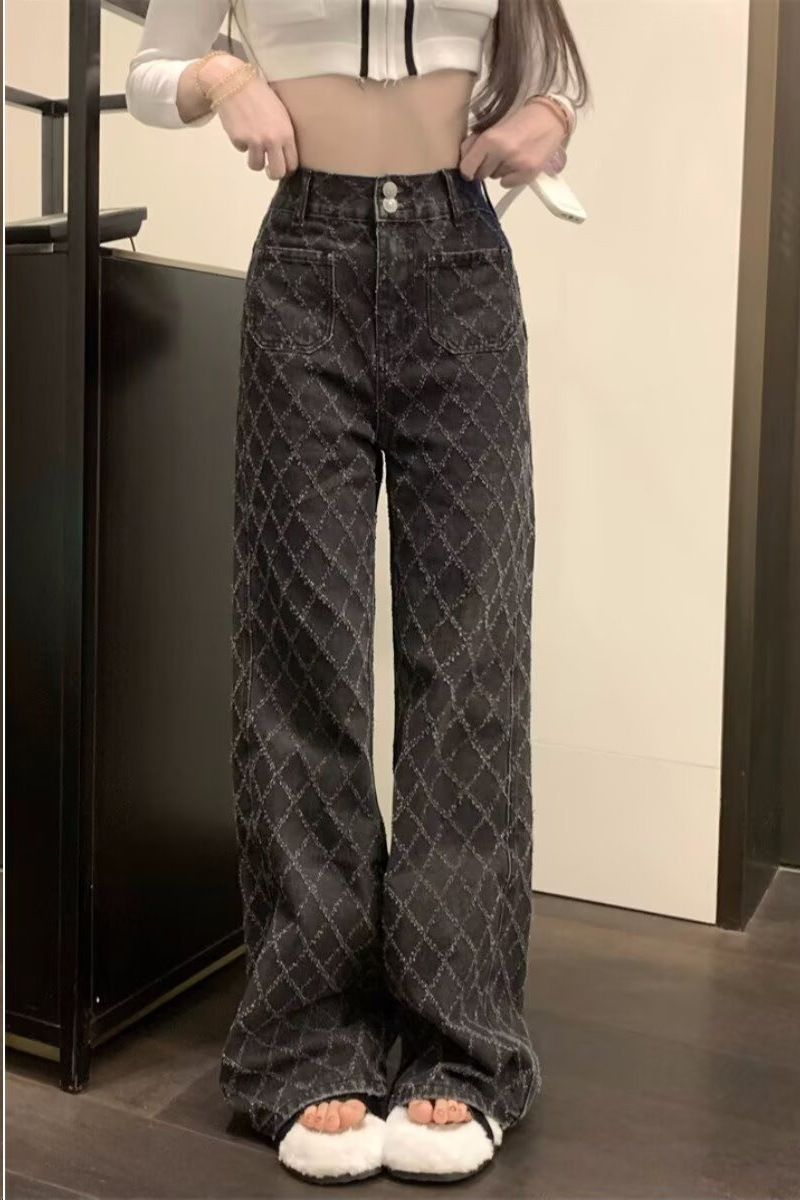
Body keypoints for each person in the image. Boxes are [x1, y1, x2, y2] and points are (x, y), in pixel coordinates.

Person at [125, 0, 590, 1185]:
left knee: (469, 656)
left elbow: (557, 65)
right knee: (299, 655)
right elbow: (149, 71)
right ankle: (305, 1036)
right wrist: (223, 78)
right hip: (304, 265)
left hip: (461, 261)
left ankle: (462, 1041)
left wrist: (554, 110)